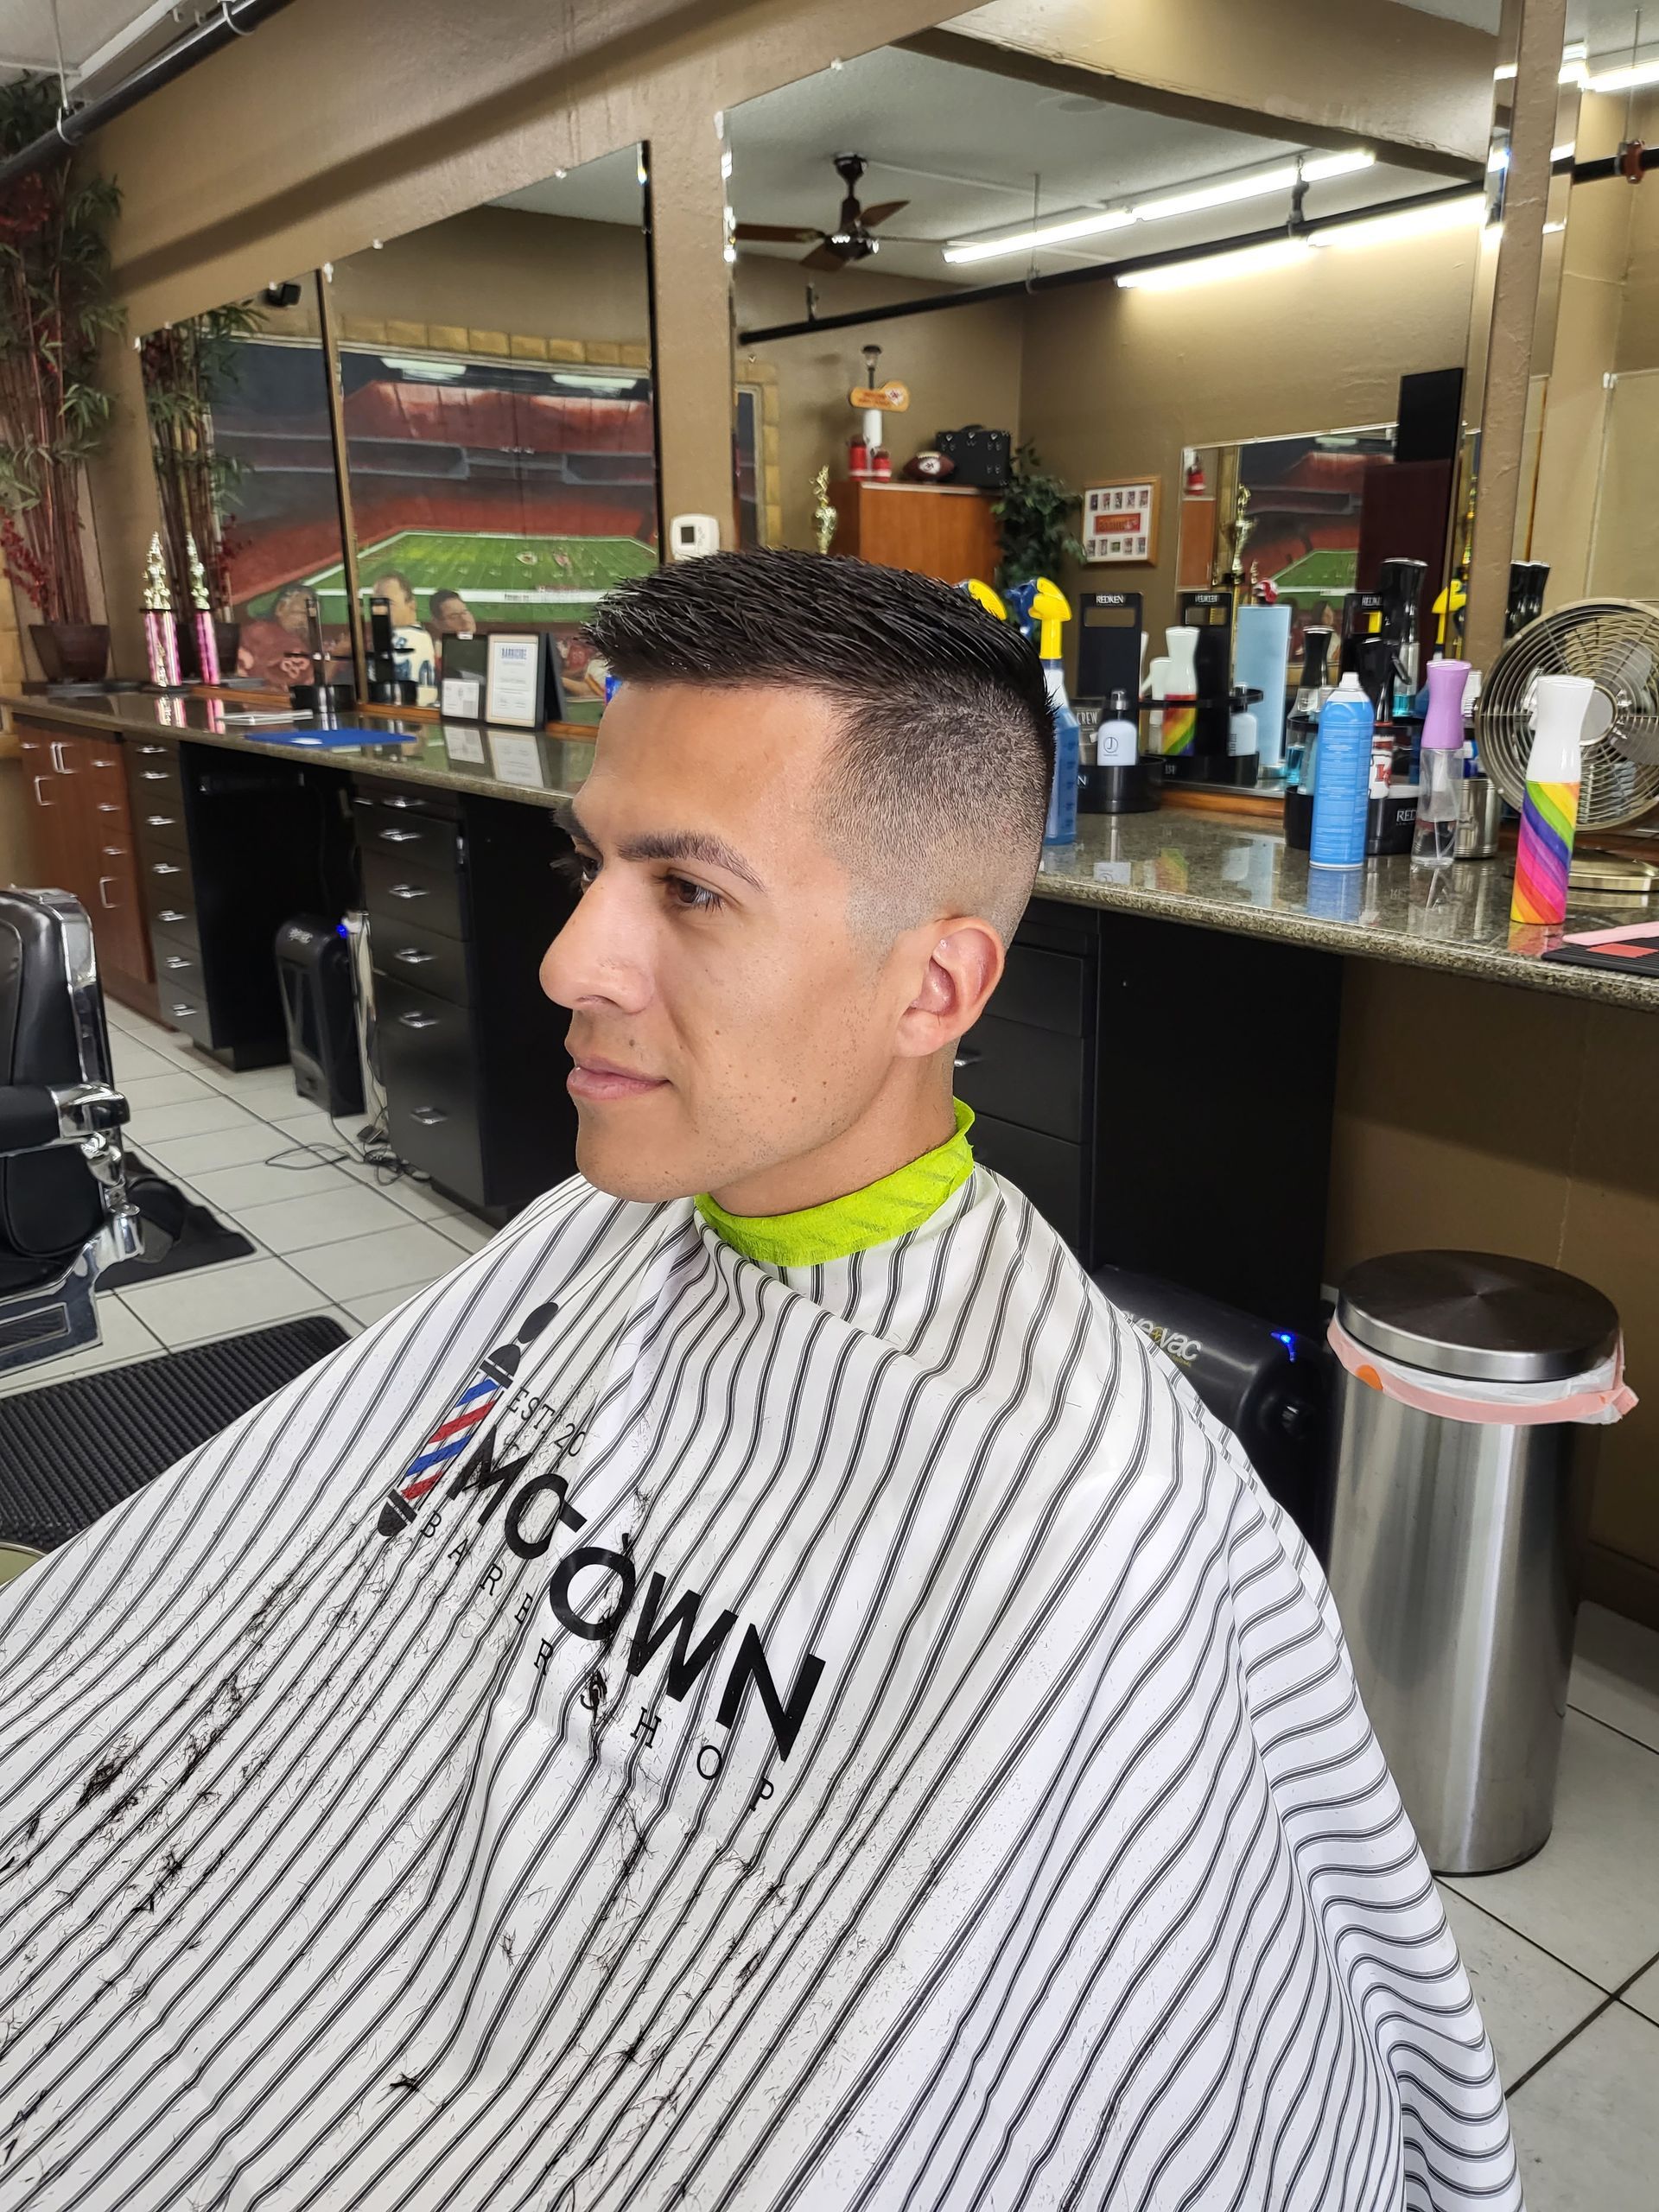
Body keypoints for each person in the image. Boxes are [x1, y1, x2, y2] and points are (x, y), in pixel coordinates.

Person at [0, 550, 1516, 2212]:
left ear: (935, 987)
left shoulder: (1098, 1511)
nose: (571, 958)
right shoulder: (592, 1238)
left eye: (692, 891)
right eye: (589, 866)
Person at [370, 567, 437, 702]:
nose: (379, 610)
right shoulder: (422, 636)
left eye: (388, 603)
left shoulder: (403, 638)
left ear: (412, 605)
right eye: (375, 603)